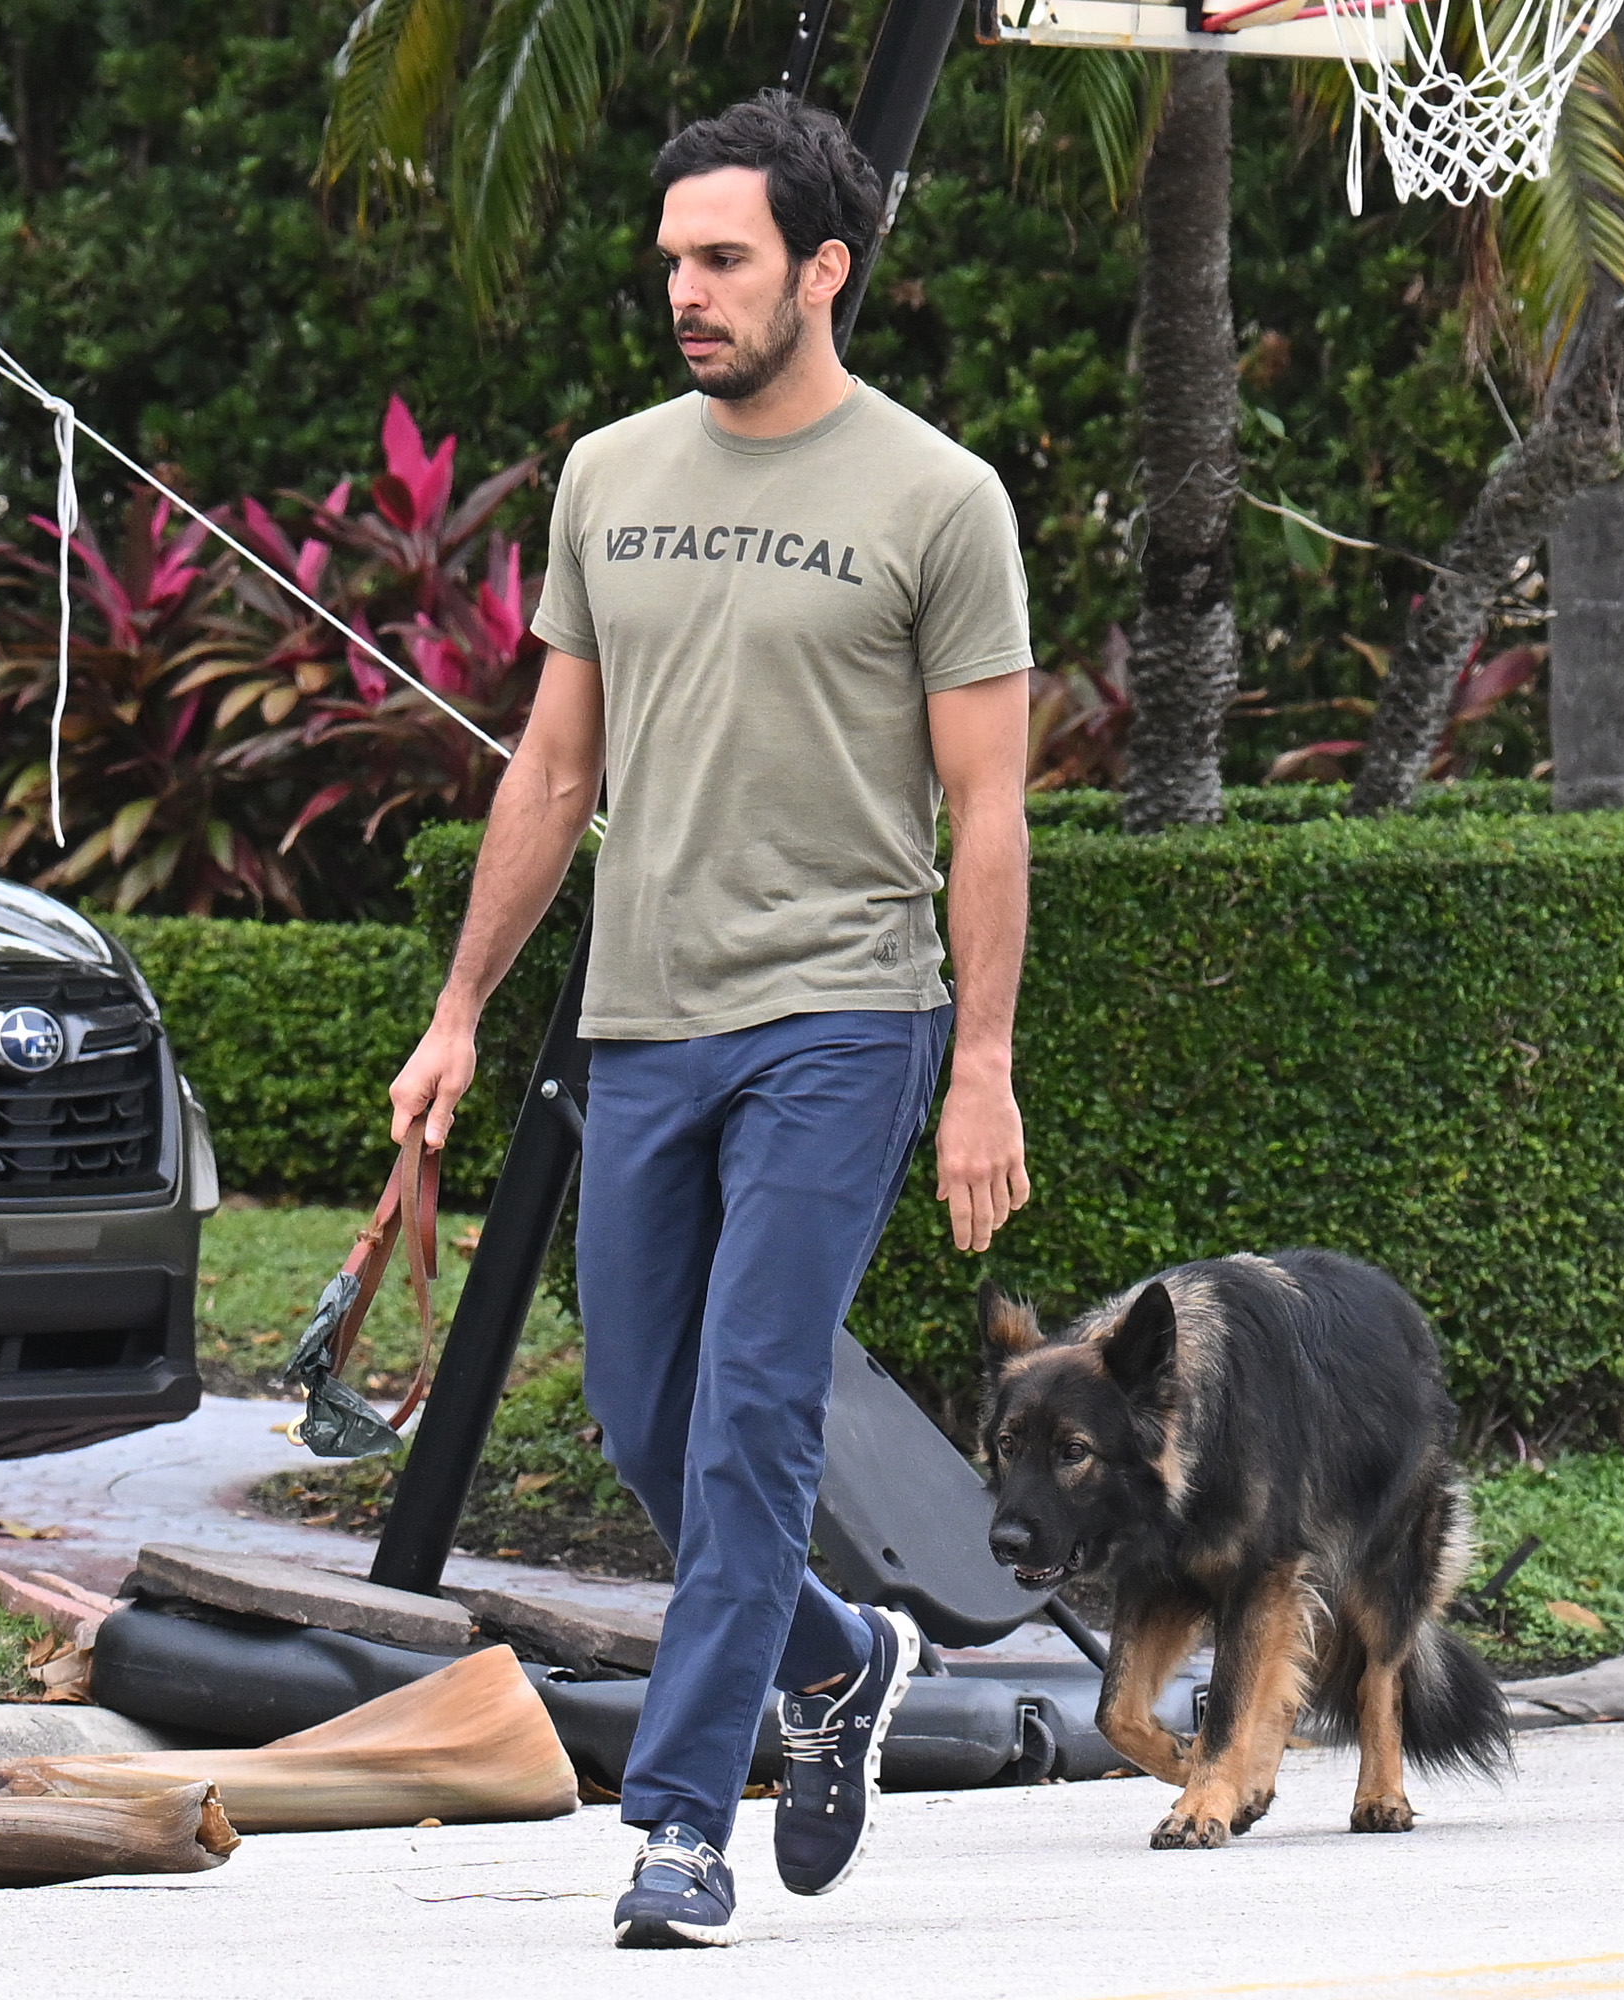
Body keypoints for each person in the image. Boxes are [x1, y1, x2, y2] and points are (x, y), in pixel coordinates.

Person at [385, 91, 1034, 1949]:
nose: (687, 289)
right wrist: (460, 1011)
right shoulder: (610, 474)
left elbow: (988, 808)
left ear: (824, 270)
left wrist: (975, 1064)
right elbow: (556, 760)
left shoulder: (938, 499)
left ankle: (678, 1825)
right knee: (641, 1414)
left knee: (753, 1410)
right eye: (673, 258)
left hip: (844, 1015)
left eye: (724, 257)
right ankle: (835, 1663)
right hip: (642, 1014)